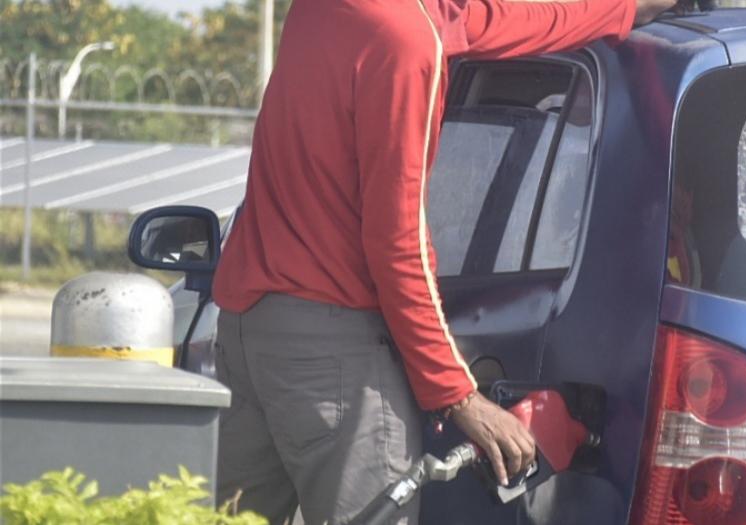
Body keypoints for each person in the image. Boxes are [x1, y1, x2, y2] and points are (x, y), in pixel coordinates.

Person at [209, 0, 677, 523]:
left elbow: (478, 22)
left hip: (247, 331)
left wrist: (623, 8)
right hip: (335, 360)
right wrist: (459, 397)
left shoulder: (331, 10)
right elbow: (398, 244)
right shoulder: (405, 43)